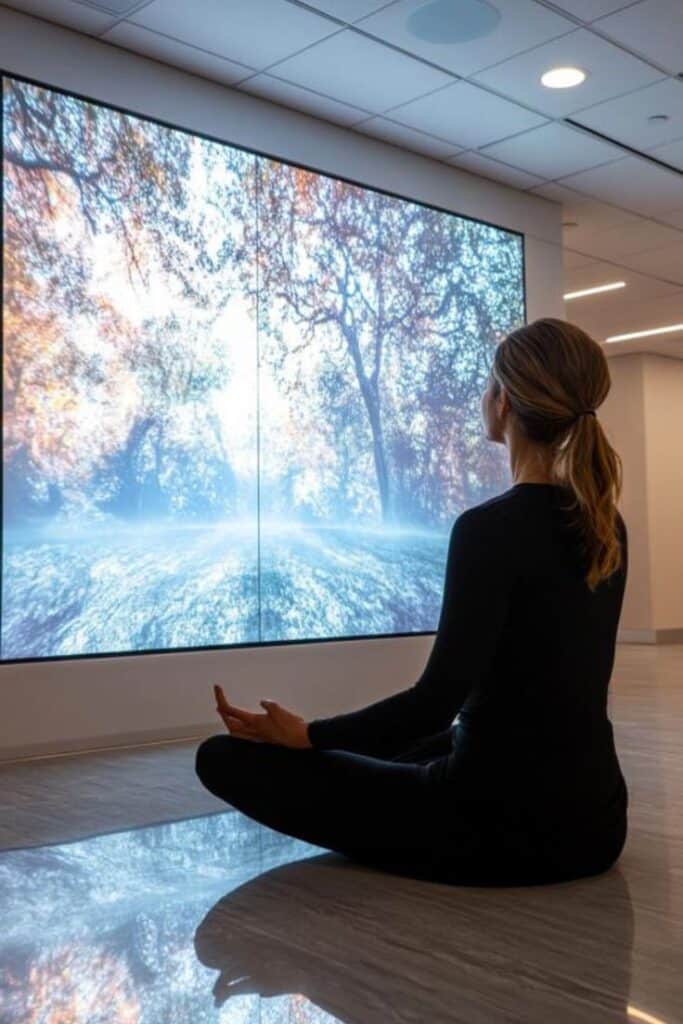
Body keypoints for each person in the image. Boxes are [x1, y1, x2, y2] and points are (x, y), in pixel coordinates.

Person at [195, 317, 629, 886]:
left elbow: (433, 700)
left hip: (496, 832)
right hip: (596, 826)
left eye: (487, 384)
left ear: (503, 402)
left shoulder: (487, 530)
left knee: (219, 757)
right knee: (424, 746)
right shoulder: (606, 525)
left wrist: (309, 735)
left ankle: (333, 762)